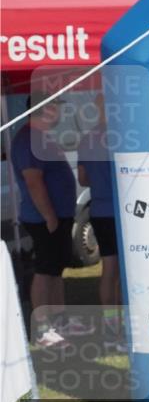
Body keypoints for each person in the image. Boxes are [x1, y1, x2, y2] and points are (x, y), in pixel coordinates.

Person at [10, 95, 80, 347]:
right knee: (45, 269)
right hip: (44, 218)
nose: (59, 113)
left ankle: (59, 320)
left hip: (57, 216)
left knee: (56, 268)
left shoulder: (42, 138)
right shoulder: (29, 139)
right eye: (56, 107)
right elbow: (33, 181)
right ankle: (42, 329)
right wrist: (49, 215)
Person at [77, 94, 123, 346]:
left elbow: (82, 179)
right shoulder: (123, 135)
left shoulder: (87, 139)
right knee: (124, 272)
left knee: (109, 270)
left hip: (100, 211)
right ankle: (121, 329)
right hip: (123, 212)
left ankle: (111, 329)